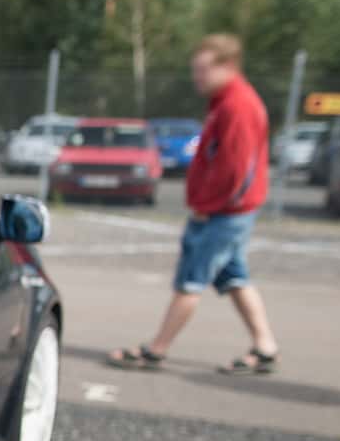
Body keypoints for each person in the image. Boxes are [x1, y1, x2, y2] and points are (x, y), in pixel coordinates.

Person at [110, 33, 280, 375]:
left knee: (190, 281)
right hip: (225, 211)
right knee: (234, 277)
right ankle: (265, 347)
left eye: (203, 70)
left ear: (228, 66)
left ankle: (156, 351)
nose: (197, 78)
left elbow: (240, 170)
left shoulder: (238, 105)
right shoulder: (224, 102)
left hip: (224, 214)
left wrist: (210, 206)